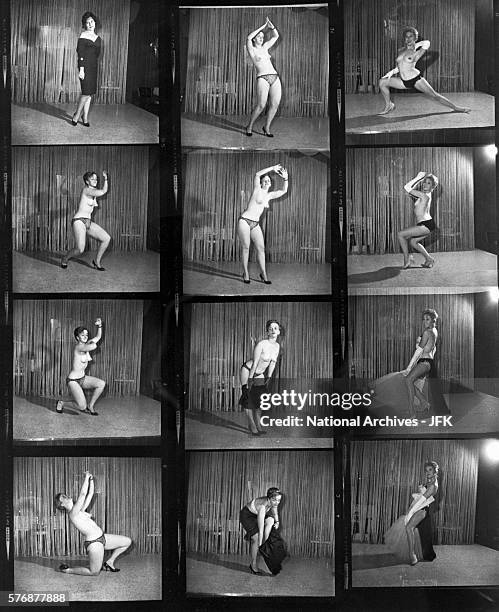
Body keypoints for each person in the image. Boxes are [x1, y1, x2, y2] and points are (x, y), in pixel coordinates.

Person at [371, 309, 448, 418]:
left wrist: (409, 367)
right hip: (428, 362)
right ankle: (424, 403)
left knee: (407, 379)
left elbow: (418, 352)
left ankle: (412, 411)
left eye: (427, 319)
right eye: (424, 319)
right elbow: (433, 349)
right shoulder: (435, 331)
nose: (425, 322)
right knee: (408, 381)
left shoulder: (427, 332)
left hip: (425, 362)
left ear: (433, 320)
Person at [378, 27, 470, 115]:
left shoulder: (417, 52)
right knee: (382, 82)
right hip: (403, 81)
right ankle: (389, 105)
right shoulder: (401, 50)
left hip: (415, 80)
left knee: (435, 96)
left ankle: (456, 108)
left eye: (411, 36)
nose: (408, 39)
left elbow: (427, 42)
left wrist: (415, 44)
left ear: (415, 38)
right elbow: (401, 65)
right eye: (406, 36)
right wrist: (391, 72)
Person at [55, 471, 132, 575]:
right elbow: (82, 494)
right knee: (94, 572)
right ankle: (67, 570)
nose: (66, 496)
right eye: (63, 497)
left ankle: (109, 562)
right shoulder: (73, 513)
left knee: (127, 542)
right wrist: (86, 477)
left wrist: (91, 480)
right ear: (62, 505)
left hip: (103, 537)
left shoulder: (79, 510)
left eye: (65, 495)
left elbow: (90, 494)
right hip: (94, 543)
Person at [237, 165, 288, 284]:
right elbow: (257, 174)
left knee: (261, 248)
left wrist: (286, 178)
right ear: (261, 183)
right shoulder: (257, 190)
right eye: (265, 181)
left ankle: (263, 274)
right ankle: (246, 273)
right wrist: (273, 168)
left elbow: (284, 191)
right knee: (246, 248)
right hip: (244, 220)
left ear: (270, 184)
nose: (267, 182)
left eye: (268, 181)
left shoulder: (269, 195)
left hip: (255, 224)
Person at [384, 461, 438, 565]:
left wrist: (410, 513)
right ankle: (414, 554)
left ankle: (412, 555)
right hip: (419, 507)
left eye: (430, 470)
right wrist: (421, 489)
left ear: (435, 471)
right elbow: (422, 496)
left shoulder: (433, 486)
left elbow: (422, 501)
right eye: (426, 470)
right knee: (412, 529)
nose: (427, 472)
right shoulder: (431, 480)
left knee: (409, 527)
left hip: (422, 509)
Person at [61, 171, 110, 271]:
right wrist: (106, 179)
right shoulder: (87, 190)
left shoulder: (93, 192)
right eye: (92, 179)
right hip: (79, 221)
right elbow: (103, 191)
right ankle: (65, 258)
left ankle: (97, 262)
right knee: (80, 249)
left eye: (96, 179)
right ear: (87, 181)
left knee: (106, 238)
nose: (95, 181)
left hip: (88, 222)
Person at [239, 320, 282, 435]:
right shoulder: (262, 344)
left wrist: (269, 377)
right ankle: (252, 424)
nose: (273, 330)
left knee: (259, 400)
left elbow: (272, 363)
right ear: (267, 332)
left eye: (275, 328)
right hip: (248, 370)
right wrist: (250, 380)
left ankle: (258, 424)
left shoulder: (277, 346)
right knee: (247, 396)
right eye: (270, 328)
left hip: (261, 373)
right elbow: (255, 363)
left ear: (279, 331)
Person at [56, 318, 105, 416]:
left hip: (82, 378)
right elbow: (93, 346)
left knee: (101, 384)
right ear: (78, 337)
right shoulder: (79, 347)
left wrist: (100, 326)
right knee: (81, 407)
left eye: (86, 335)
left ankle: (90, 406)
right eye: (82, 335)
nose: (85, 337)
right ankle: (61, 403)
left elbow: (98, 337)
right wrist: (92, 342)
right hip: (73, 380)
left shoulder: (86, 344)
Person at [245, 17, 282, 137]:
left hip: (274, 77)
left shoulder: (265, 47)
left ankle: (266, 127)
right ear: (255, 39)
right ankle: (249, 126)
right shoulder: (252, 50)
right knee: (261, 105)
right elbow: (248, 38)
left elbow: (275, 36)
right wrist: (263, 26)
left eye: (262, 37)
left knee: (275, 104)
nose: (261, 38)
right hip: (262, 78)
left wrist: (271, 27)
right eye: (259, 37)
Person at [398, 171, 438, 269]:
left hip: (426, 224)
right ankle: (429, 259)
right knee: (413, 242)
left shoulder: (424, 196)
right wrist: (420, 180)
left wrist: (418, 177)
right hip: (427, 224)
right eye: (424, 182)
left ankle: (407, 260)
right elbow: (410, 189)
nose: (425, 184)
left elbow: (407, 188)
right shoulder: (424, 195)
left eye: (428, 183)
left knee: (400, 235)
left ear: (432, 187)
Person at [239, 487, 284, 574]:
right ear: (269, 498)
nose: (277, 503)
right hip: (247, 515)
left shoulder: (273, 503)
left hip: (255, 514)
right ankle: (253, 564)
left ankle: (266, 542)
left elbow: (275, 512)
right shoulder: (262, 507)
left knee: (271, 520)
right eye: (275, 500)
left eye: (279, 500)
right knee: (255, 538)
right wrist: (260, 545)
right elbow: (261, 529)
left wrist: (277, 522)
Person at [72, 11, 101, 127]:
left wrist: (92, 64)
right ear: (85, 24)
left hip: (93, 68)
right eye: (87, 22)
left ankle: (85, 117)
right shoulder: (83, 35)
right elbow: (80, 54)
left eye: (92, 21)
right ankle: (77, 115)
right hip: (85, 67)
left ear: (95, 23)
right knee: (85, 93)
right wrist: (82, 69)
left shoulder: (98, 38)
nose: (90, 24)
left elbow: (97, 54)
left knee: (90, 94)